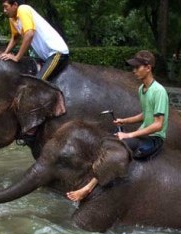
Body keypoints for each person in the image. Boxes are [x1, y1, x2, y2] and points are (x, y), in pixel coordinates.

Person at [67, 50, 169, 202]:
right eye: (133, 67)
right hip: (142, 134)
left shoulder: (158, 91)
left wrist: (129, 135)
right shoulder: (142, 89)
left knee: (119, 145)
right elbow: (145, 114)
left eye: (137, 67)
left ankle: (88, 188)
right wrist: (125, 121)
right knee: (111, 138)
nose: (133, 71)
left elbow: (158, 124)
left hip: (153, 139)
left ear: (148, 68)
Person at [0, 0, 69, 81]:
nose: (4, 10)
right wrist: (4, 53)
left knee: (36, 84)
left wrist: (17, 57)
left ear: (15, 4)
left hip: (57, 53)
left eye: (6, 6)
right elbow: (15, 38)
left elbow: (29, 34)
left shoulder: (23, 9)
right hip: (46, 57)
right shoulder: (12, 19)